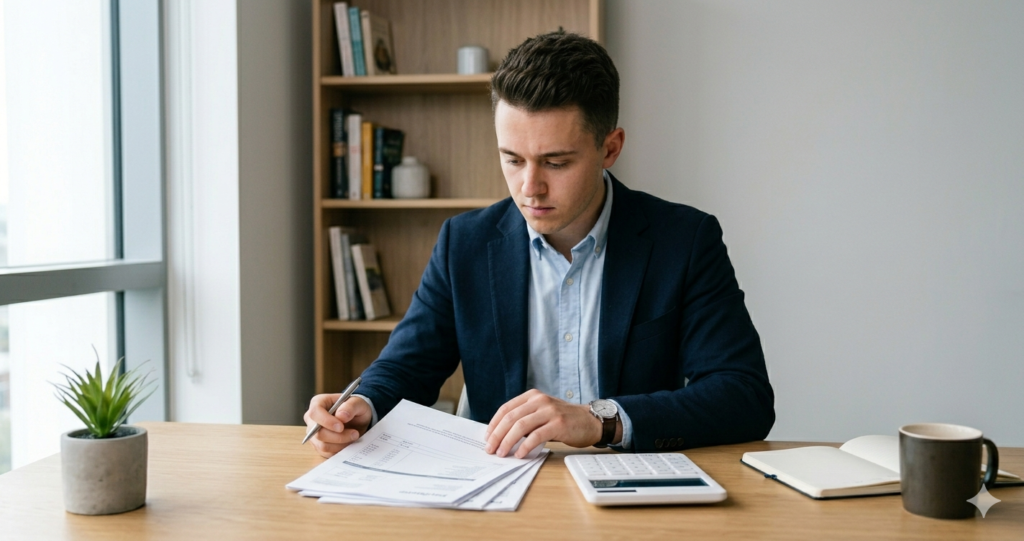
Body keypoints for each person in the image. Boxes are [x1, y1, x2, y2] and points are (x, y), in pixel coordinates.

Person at [304, 31, 775, 459]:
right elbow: (406, 367)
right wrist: (361, 405)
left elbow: (744, 395)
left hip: (632, 488)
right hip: (496, 488)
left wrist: (599, 421)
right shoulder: (463, 243)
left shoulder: (684, 240)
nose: (530, 187)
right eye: (512, 159)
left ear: (610, 148)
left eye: (555, 162)